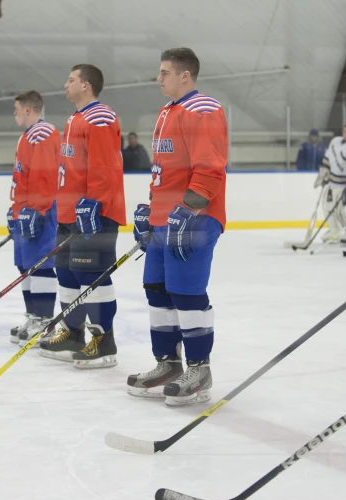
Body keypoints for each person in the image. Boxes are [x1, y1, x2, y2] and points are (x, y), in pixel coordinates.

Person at [127, 47, 227, 406]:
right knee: (156, 287)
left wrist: (187, 210)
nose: (159, 78)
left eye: (165, 72)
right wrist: (150, 208)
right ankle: (168, 363)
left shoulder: (203, 110)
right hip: (165, 220)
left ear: (186, 75)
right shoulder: (168, 112)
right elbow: (167, 173)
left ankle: (200, 368)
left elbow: (210, 170)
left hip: (193, 220)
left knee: (186, 293)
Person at [37, 64, 126, 368]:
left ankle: (104, 341)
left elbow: (106, 168)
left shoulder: (99, 117)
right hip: (68, 212)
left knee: (93, 276)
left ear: (86, 85)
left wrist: (94, 205)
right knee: (67, 274)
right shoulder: (75, 118)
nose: (66, 84)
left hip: (92, 214)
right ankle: (73, 333)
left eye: (71, 79)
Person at [8, 90, 61, 346]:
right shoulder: (27, 136)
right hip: (25, 209)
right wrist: (15, 208)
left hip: (39, 210)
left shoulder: (42, 133)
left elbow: (43, 176)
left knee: (40, 265)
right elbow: (24, 177)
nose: (15, 113)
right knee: (25, 266)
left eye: (17, 109)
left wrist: (36, 209)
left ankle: (45, 320)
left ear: (28, 109)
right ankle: (33, 316)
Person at [317, 123, 346, 243]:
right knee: (328, 208)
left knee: (343, 211)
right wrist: (323, 173)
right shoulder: (335, 141)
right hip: (332, 183)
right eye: (345, 132)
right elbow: (328, 158)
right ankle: (334, 230)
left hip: (344, 185)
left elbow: (345, 161)